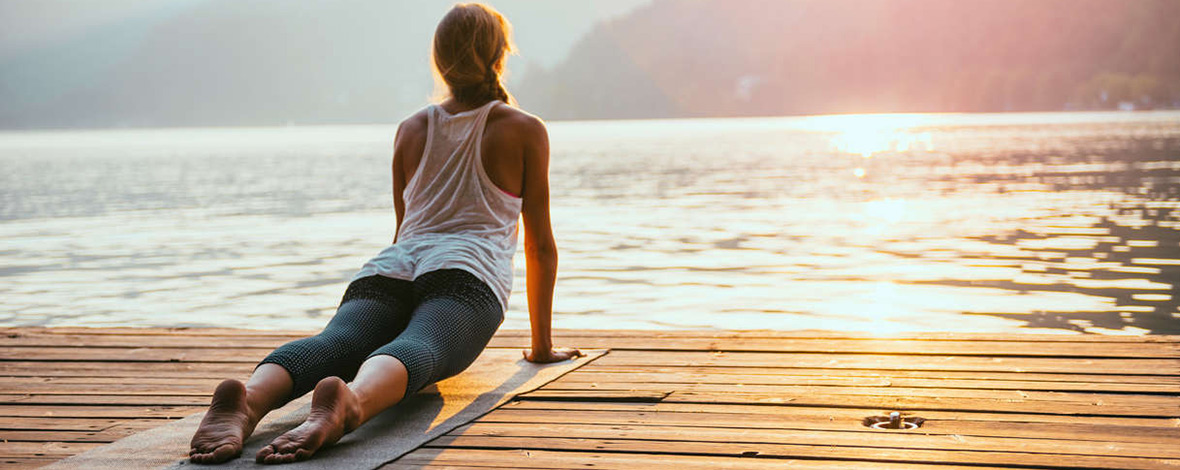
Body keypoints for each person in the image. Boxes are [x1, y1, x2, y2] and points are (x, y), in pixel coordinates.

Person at [187, 3, 581, 464]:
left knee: (333, 344)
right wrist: (540, 347)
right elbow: (539, 245)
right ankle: (350, 403)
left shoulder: (411, 129)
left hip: (389, 269)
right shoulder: (523, 129)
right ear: (500, 56)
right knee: (420, 347)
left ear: (440, 61)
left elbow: (403, 229)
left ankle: (250, 398)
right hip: (465, 277)